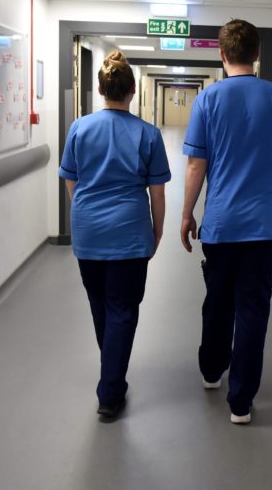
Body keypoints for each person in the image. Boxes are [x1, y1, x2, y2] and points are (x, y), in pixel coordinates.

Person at [181, 19, 272, 425]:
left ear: (221, 55)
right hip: (264, 226)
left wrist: (187, 213)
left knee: (217, 302)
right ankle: (241, 402)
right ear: (257, 54)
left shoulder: (208, 100)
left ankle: (211, 370)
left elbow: (196, 164)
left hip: (219, 225)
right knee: (253, 309)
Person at [59, 50, 170, 421]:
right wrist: (155, 233)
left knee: (100, 305)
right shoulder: (148, 134)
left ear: (100, 88)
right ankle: (110, 391)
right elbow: (157, 193)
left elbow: (71, 180)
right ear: (132, 91)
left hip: (88, 233)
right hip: (129, 233)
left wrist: (87, 213)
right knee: (123, 309)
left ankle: (112, 375)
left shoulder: (79, 128)